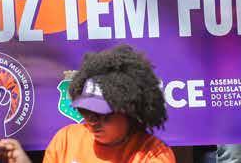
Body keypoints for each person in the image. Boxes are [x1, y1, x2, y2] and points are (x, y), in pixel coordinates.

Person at [42, 45, 174, 163]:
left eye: (102, 114)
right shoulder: (66, 139)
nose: (93, 123)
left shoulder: (153, 153)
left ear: (128, 111)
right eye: (86, 112)